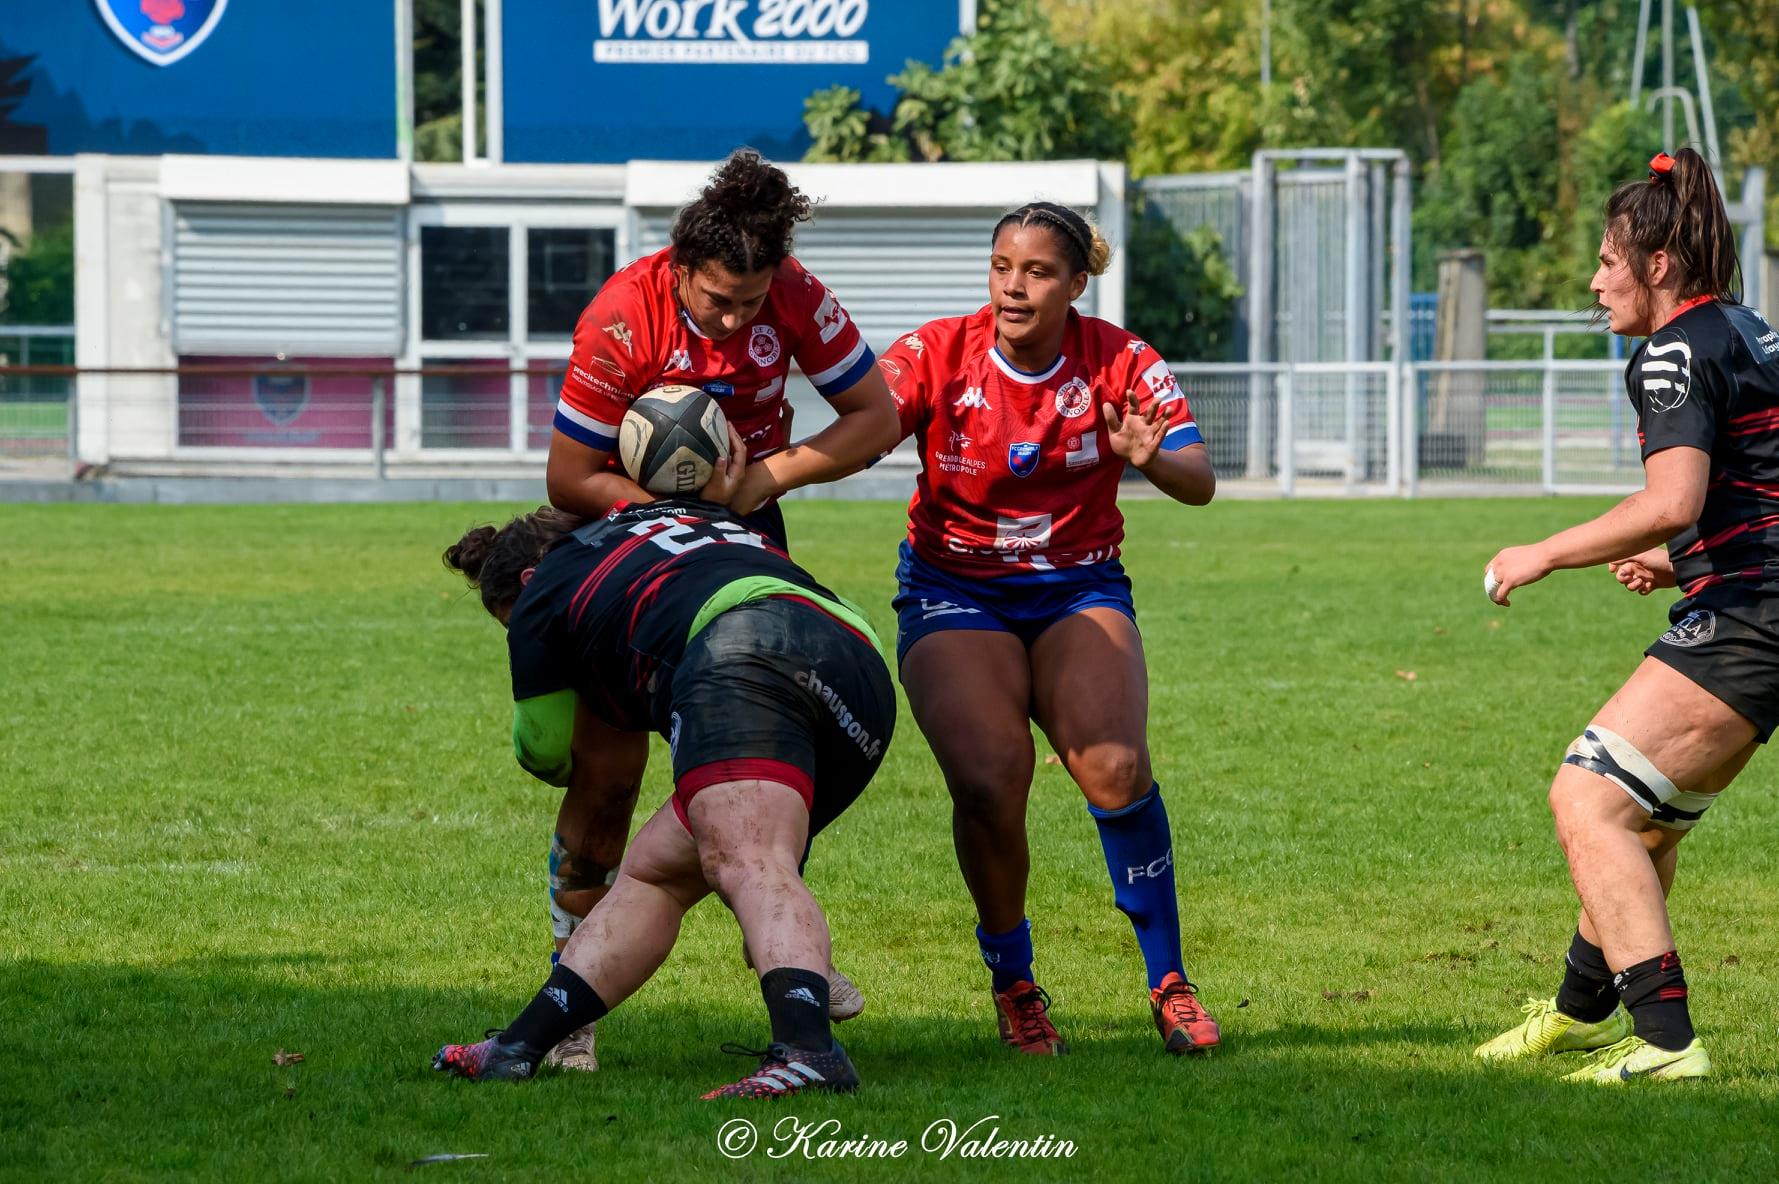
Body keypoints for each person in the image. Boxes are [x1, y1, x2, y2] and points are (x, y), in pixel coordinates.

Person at [532, 148, 899, 1068]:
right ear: (678, 266)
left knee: (765, 765)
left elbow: (875, 417)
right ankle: (568, 996)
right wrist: (669, 509)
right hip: (629, 538)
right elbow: (569, 479)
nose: (736, 322)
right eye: (716, 302)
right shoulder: (622, 315)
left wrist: (763, 481)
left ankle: (789, 956)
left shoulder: (795, 297)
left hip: (740, 532)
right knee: (609, 777)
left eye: (751, 302)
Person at [873, 201, 1220, 1057]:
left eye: (1034, 272)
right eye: (1001, 267)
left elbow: (1199, 480)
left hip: (1076, 589)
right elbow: (864, 429)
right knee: (991, 780)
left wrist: (1149, 457)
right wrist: (771, 470)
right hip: (954, 591)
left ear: (1074, 283)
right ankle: (1014, 982)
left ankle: (1169, 982)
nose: (1013, 286)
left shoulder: (1120, 358)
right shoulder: (935, 352)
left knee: (1114, 768)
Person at [1476, 148, 1779, 1083]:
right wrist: (1675, 560)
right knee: (1647, 823)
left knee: (1588, 799)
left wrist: (1545, 552)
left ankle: (1664, 1045)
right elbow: (1748, 487)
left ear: (1656, 266)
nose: (1594, 281)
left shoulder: (1671, 350)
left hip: (1754, 615)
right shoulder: (1747, 325)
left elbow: (1672, 498)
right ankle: (1577, 1015)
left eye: (1608, 261)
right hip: (1756, 595)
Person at [432, 495, 895, 1098]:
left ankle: (810, 1053)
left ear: (525, 578)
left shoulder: (546, 585)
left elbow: (543, 751)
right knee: (656, 872)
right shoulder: (666, 515)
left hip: (740, 648)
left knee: (747, 858)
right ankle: (518, 1048)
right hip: (857, 663)